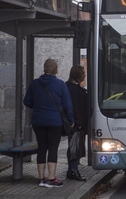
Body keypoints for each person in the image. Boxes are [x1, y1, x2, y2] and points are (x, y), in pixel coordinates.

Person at [23, 58, 74, 188]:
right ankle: (51, 178)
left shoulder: (35, 84)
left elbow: (27, 102)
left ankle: (41, 178)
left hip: (38, 121)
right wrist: (71, 121)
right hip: (55, 122)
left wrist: (39, 104)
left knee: (41, 148)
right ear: (56, 70)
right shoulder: (60, 84)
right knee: (52, 148)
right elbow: (68, 105)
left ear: (44, 69)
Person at [65, 65, 87, 181]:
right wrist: (77, 122)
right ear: (78, 75)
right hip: (76, 124)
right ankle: (74, 170)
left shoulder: (70, 87)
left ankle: (71, 170)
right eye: (82, 73)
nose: (84, 75)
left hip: (75, 122)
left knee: (74, 146)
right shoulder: (74, 89)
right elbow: (74, 106)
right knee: (74, 147)